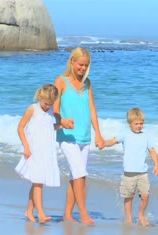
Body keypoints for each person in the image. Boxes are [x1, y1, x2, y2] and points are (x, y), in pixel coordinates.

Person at [53, 47, 105, 224]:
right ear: (72, 62)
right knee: (80, 175)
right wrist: (62, 120)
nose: (82, 68)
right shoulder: (60, 81)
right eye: (80, 65)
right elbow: (54, 108)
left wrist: (98, 134)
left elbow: (92, 108)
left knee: (76, 176)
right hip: (67, 136)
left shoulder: (87, 83)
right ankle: (83, 213)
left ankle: (67, 215)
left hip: (84, 135)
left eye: (86, 65)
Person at [104, 107, 158, 226]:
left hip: (142, 173)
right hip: (128, 173)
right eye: (136, 123)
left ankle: (140, 215)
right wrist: (103, 144)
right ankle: (128, 217)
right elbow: (113, 141)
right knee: (128, 197)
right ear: (130, 124)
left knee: (145, 195)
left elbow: (152, 150)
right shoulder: (125, 134)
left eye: (141, 123)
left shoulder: (146, 136)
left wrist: (156, 165)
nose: (139, 126)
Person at [15, 84, 62, 224]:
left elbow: (49, 127)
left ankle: (29, 211)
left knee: (37, 182)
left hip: (46, 151)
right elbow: (20, 128)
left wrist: (63, 125)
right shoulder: (32, 109)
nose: (48, 106)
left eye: (51, 104)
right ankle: (41, 214)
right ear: (40, 97)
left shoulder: (50, 111)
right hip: (33, 150)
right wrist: (26, 147)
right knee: (38, 183)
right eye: (46, 103)